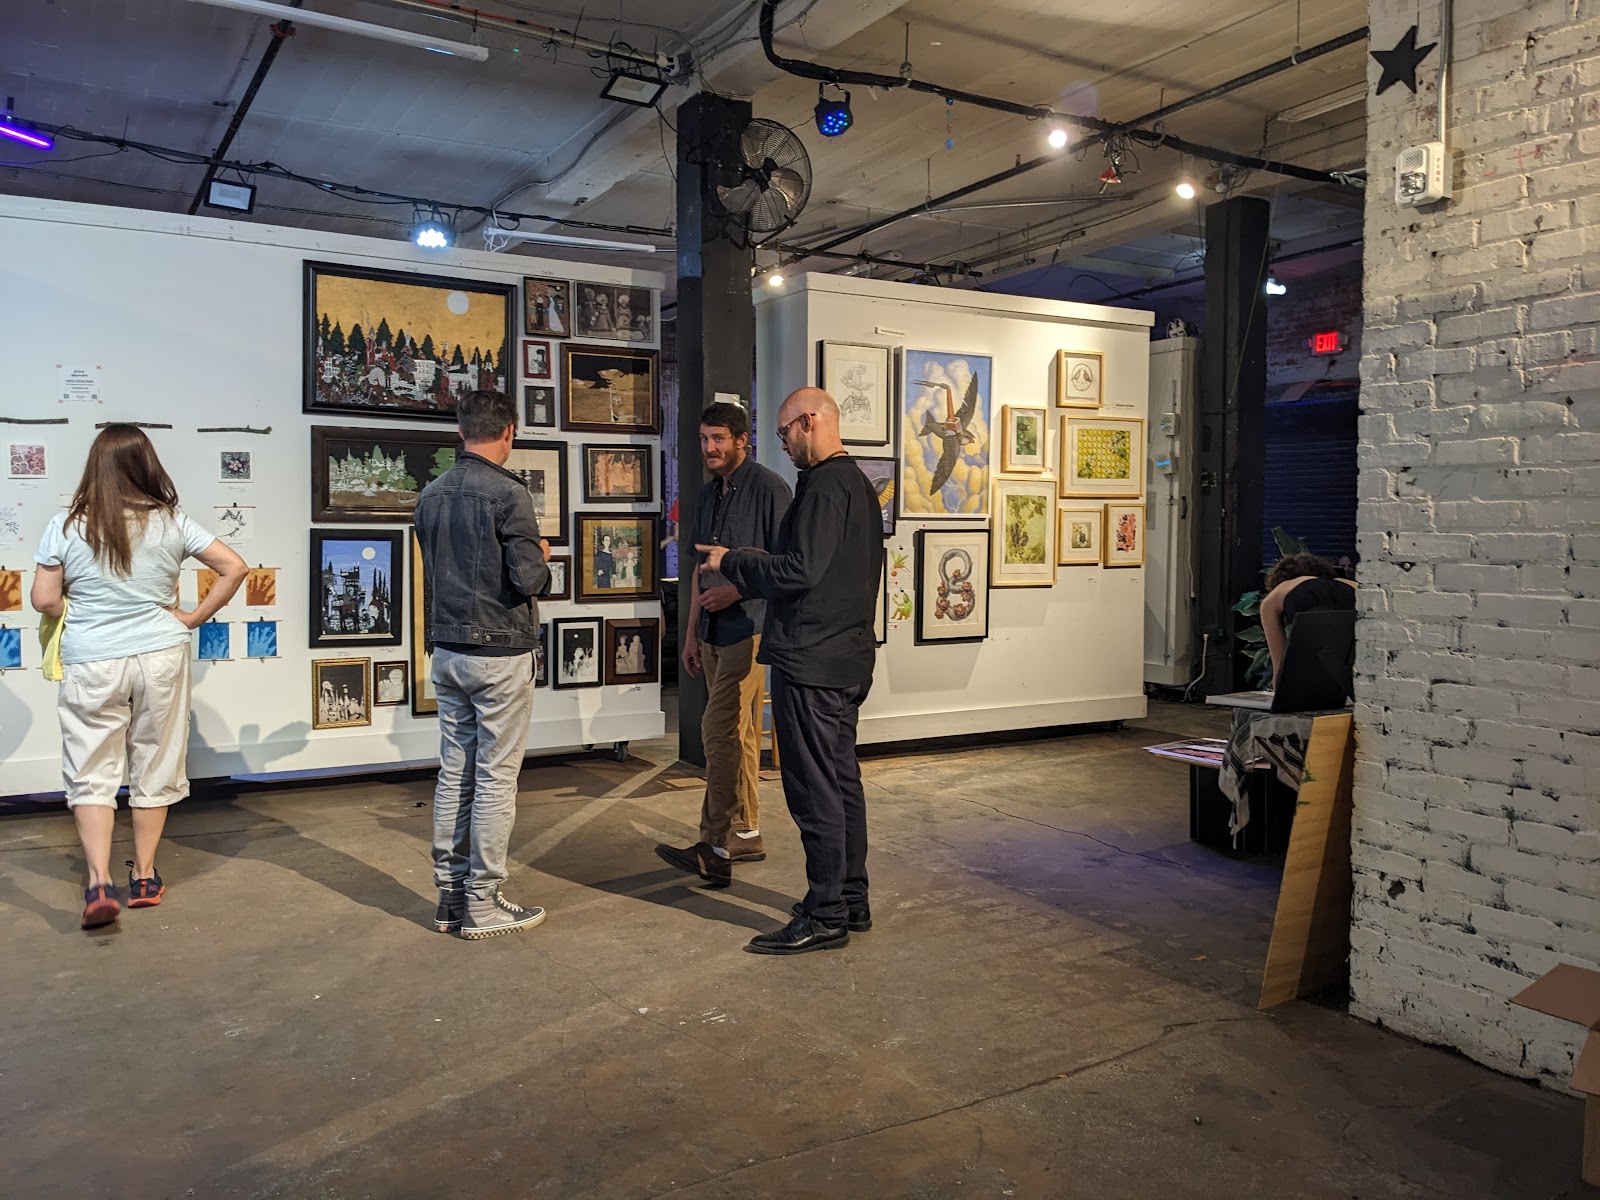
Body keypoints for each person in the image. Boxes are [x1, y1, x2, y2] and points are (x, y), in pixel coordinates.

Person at [30, 424, 247, 930]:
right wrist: (192, 618)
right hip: (161, 654)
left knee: (91, 767)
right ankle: (145, 877)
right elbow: (234, 568)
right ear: (147, 465)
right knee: (156, 758)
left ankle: (98, 882)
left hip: (92, 658)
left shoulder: (66, 525)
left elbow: (43, 599)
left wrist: (82, 611)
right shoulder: (172, 521)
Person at [698, 388, 881, 953]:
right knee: (841, 782)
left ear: (809, 422)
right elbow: (821, 567)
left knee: (814, 789)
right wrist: (760, 562)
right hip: (843, 656)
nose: (782, 445)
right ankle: (849, 898)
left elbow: (800, 571)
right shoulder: (857, 485)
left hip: (814, 662)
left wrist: (733, 560)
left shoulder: (824, 484)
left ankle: (826, 914)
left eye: (784, 433)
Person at [414, 389, 552, 940]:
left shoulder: (430, 494)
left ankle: (450, 897)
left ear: (461, 431)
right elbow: (529, 579)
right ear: (509, 432)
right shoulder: (509, 493)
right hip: (499, 655)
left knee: (455, 772)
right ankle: (483, 902)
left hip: (447, 650)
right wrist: (543, 557)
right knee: (496, 778)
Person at [656, 401, 792, 889]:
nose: (709, 448)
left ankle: (713, 844)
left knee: (718, 733)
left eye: (718, 439)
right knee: (741, 733)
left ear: (741, 440)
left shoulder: (770, 490)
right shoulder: (710, 492)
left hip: (749, 630)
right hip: (713, 631)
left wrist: (737, 590)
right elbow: (699, 567)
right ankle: (747, 832)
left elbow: (786, 567)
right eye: (703, 439)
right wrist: (691, 631)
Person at [1259, 552, 1357, 686]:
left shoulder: (1277, 593)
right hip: (1352, 597)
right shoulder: (1346, 583)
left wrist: (1277, 689)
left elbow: (1280, 666)